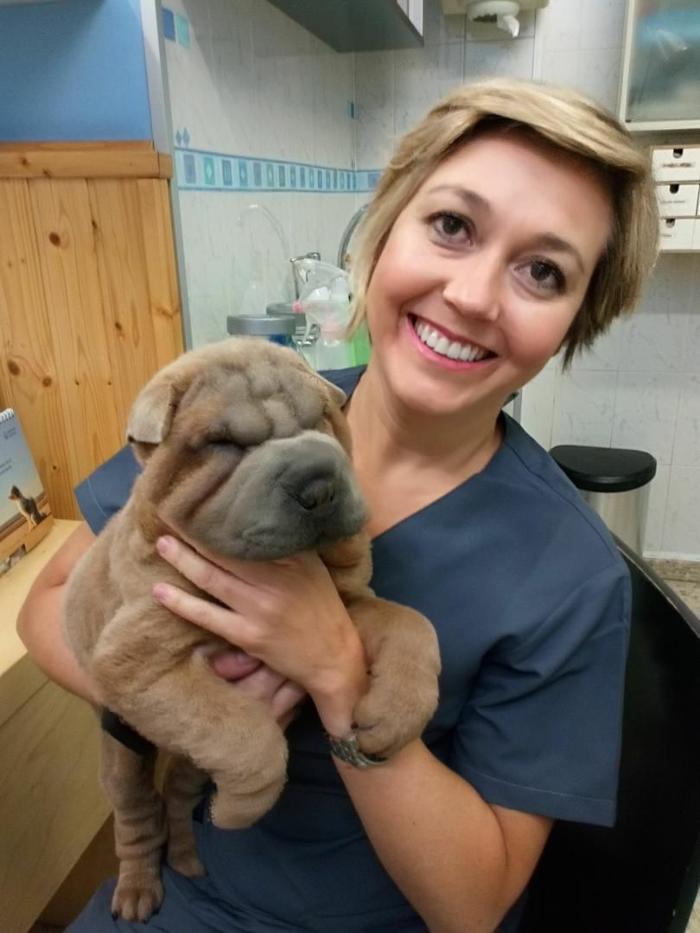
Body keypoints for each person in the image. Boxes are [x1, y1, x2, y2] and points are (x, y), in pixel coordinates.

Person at [17, 77, 659, 933]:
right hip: (180, 886)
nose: (473, 295)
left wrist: (333, 667)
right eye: (452, 225)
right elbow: (48, 605)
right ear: (382, 230)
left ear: (577, 322)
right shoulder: (251, 405)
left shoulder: (566, 573)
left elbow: (473, 906)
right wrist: (192, 705)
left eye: (544, 272)